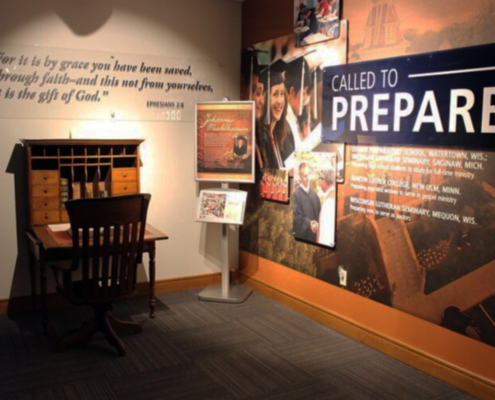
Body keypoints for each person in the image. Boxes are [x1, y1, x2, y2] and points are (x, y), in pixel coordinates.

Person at [259, 59, 295, 169]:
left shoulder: (285, 131)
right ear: (265, 99)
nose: (280, 101)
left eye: (282, 94)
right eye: (275, 94)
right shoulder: (260, 138)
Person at [293, 162, 321, 242]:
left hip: (315, 238)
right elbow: (296, 218)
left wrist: (317, 225)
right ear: (300, 176)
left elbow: (319, 214)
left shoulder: (315, 195)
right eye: (305, 176)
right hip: (303, 240)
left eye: (308, 175)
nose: (308, 178)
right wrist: (309, 224)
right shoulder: (296, 195)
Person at [317, 168, 336, 247]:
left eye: (320, 178)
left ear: (324, 180)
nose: (319, 181)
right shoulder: (331, 196)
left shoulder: (329, 203)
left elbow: (324, 237)